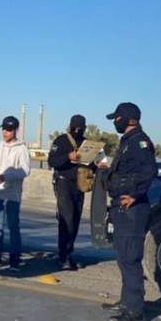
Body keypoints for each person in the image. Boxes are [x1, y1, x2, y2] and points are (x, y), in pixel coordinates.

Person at [102, 102, 157, 321]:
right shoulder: (128, 141)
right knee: (123, 256)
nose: (116, 122)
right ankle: (126, 301)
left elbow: (150, 170)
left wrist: (134, 195)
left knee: (131, 258)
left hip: (132, 208)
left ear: (129, 119)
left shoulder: (140, 142)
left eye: (118, 118)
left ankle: (135, 311)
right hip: (120, 207)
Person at [0, 116, 31, 269]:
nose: (5, 132)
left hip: (12, 195)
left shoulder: (21, 149)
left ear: (15, 131)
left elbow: (25, 170)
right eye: (3, 129)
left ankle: (15, 257)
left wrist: (5, 176)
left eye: (9, 130)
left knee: (13, 225)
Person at [47, 114, 91, 271]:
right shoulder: (61, 141)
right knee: (67, 221)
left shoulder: (86, 144)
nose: (78, 130)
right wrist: (68, 156)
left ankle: (68, 254)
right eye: (76, 127)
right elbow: (52, 161)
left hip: (80, 185)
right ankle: (63, 256)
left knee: (76, 221)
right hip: (64, 184)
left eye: (81, 127)